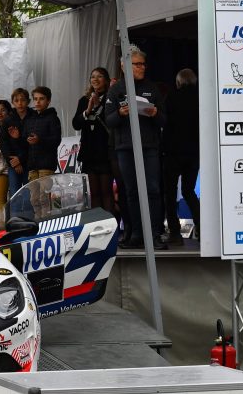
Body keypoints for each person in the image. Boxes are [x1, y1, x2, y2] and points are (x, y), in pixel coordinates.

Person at [105, 48, 168, 251]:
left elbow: (164, 120)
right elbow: (109, 120)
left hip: (149, 146)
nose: (142, 68)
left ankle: (155, 234)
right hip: (125, 147)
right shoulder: (115, 90)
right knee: (131, 191)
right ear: (125, 66)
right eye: (137, 64)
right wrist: (121, 113)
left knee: (153, 190)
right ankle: (136, 234)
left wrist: (155, 112)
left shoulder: (152, 88)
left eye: (143, 64)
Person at [163, 68, 200, 245]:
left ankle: (175, 234)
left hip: (173, 152)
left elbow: (164, 122)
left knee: (170, 193)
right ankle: (202, 228)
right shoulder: (201, 98)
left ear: (178, 82)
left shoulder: (171, 97)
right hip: (193, 153)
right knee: (189, 191)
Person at [72, 67, 115, 214]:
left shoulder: (111, 98)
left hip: (105, 152)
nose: (95, 80)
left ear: (107, 80)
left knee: (106, 192)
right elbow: (76, 124)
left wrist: (97, 106)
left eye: (100, 76)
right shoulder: (84, 100)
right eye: (93, 77)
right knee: (94, 194)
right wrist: (87, 111)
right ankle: (99, 225)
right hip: (89, 153)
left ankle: (112, 226)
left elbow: (111, 123)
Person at [0, 89, 34, 197]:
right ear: (12, 102)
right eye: (17, 100)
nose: (20, 103)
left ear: (28, 101)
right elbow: (3, 143)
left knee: (30, 193)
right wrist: (13, 161)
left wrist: (20, 159)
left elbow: (32, 143)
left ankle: (29, 214)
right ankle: (16, 214)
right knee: (15, 194)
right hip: (13, 163)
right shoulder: (8, 119)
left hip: (30, 162)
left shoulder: (34, 117)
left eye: (23, 100)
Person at [23, 86, 62, 181]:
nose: (38, 102)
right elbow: (24, 137)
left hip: (46, 165)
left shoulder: (52, 118)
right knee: (34, 195)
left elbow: (56, 140)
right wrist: (23, 138)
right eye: (35, 99)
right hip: (32, 165)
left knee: (43, 195)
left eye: (41, 99)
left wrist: (39, 140)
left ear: (48, 101)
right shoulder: (29, 119)